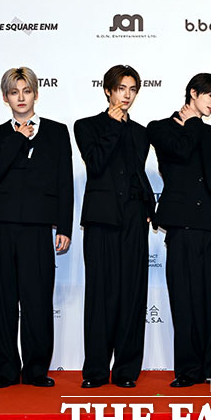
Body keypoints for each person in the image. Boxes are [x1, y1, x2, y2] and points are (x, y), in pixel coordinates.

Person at [147, 73, 211, 388]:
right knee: (184, 300)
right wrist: (192, 123)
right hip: (182, 226)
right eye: (210, 96)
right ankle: (189, 370)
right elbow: (181, 151)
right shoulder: (159, 128)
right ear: (193, 92)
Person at [0, 67, 73, 389]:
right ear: (5, 97)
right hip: (3, 225)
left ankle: (36, 370)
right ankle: (5, 371)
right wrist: (18, 138)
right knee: (3, 300)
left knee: (37, 301)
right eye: (14, 92)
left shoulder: (57, 132)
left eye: (26, 91)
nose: (21, 98)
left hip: (38, 227)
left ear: (36, 93)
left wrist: (64, 227)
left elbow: (65, 182)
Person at [74, 65, 155, 389]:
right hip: (101, 219)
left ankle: (126, 371)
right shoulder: (86, 126)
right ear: (108, 90)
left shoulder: (140, 133)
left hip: (134, 218)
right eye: (121, 88)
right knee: (99, 295)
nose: (127, 95)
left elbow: (135, 171)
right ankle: (95, 371)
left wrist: (147, 206)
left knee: (132, 294)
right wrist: (112, 124)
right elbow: (96, 164)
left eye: (132, 89)